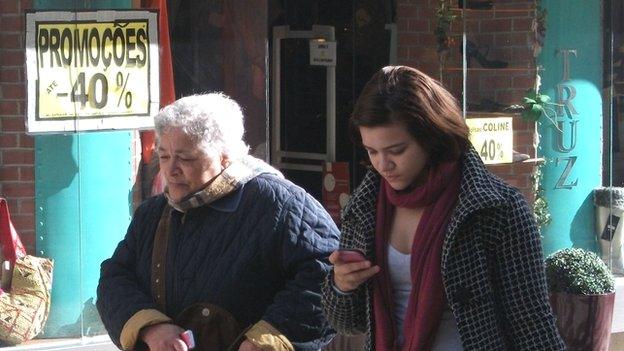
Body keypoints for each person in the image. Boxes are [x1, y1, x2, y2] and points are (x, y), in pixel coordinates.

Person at [321, 66, 565, 350]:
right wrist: (342, 285)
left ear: (431, 137)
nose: (382, 165)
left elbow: (533, 323)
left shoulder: (496, 208)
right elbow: (347, 323)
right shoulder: (365, 207)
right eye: (372, 152)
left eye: (397, 150)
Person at [97, 93, 339, 351]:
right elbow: (115, 278)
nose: (171, 169)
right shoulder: (153, 214)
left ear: (225, 156)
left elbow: (328, 273)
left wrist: (268, 337)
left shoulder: (278, 202)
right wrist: (152, 328)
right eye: (164, 156)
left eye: (186, 158)